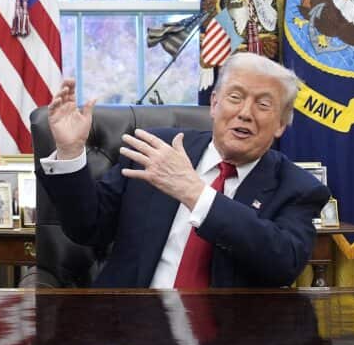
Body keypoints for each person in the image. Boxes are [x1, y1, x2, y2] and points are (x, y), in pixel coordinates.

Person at [38, 52, 329, 288]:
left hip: (231, 336)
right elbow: (87, 228)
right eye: (235, 97)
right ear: (214, 104)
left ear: (281, 124)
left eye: (263, 104)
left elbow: (283, 264)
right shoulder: (155, 151)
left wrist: (196, 194)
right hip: (130, 323)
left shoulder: (298, 188)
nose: (245, 113)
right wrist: (70, 152)